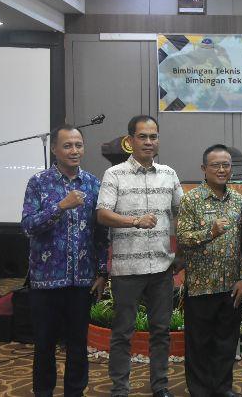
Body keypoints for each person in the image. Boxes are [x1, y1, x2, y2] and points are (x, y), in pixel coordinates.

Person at [97, 115, 183, 397]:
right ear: (130, 140)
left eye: (153, 136)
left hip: (161, 268)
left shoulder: (169, 174)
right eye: (142, 137)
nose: (149, 142)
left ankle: (160, 387)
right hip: (127, 269)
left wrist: (181, 253)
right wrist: (134, 221)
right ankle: (120, 389)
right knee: (123, 333)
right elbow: (102, 214)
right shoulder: (114, 174)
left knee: (160, 332)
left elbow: (183, 216)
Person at [21, 125, 109, 397]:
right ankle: (43, 392)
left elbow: (100, 233)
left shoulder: (93, 184)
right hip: (45, 281)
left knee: (78, 344)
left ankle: (75, 392)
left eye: (78, 145)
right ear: (55, 149)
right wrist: (60, 206)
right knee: (44, 344)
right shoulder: (38, 182)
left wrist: (102, 272)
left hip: (81, 280)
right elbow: (28, 226)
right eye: (67, 145)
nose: (74, 151)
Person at [177, 144, 242, 397]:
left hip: (231, 286)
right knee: (199, 344)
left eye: (226, 165)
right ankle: (199, 391)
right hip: (201, 285)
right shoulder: (191, 200)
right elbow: (182, 238)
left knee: (225, 343)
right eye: (215, 165)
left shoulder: (239, 201)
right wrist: (211, 231)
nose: (221, 170)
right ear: (204, 168)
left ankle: (222, 388)